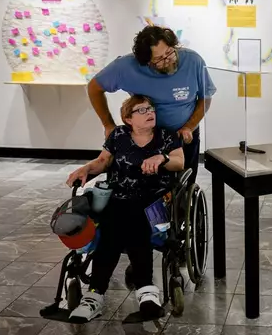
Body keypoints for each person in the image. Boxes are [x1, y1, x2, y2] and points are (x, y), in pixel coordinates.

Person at [66, 95, 185, 323]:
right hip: (119, 198)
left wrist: (162, 157)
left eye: (150, 108)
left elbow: (179, 162)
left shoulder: (166, 136)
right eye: (141, 110)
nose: (149, 112)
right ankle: (139, 291)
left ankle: (97, 293)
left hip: (155, 201)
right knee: (116, 220)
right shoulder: (118, 135)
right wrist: (86, 169)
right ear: (128, 119)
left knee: (128, 219)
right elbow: (103, 161)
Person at [87, 25, 216, 188]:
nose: (167, 60)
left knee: (183, 187)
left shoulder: (193, 61)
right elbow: (94, 88)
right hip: (145, 137)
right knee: (145, 186)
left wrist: (189, 127)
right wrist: (108, 125)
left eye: (169, 52)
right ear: (146, 62)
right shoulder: (125, 67)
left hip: (184, 135)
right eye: (159, 59)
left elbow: (206, 97)